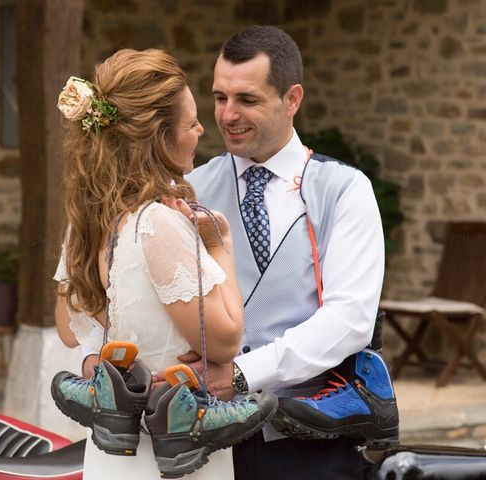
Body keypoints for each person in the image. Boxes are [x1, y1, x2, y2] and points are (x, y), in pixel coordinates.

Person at [52, 48, 273, 480]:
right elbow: (225, 340)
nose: (201, 130)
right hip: (176, 454)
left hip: (111, 456)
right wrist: (220, 245)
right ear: (161, 136)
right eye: (191, 123)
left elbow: (67, 328)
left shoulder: (87, 222)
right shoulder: (158, 224)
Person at [180, 26, 390, 479]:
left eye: (247, 100)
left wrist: (240, 373)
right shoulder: (190, 190)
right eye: (220, 98)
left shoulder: (344, 190)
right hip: (202, 440)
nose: (228, 115)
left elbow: (350, 319)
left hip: (306, 439)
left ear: (292, 98)